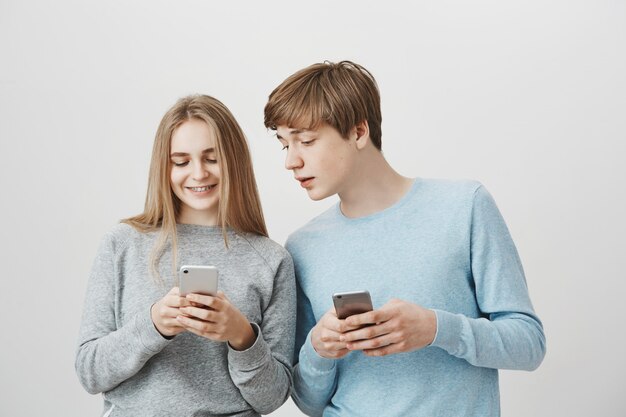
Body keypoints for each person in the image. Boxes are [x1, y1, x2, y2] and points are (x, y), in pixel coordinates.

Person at [263, 61, 546, 417]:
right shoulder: (302, 247)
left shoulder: (464, 207)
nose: (291, 160)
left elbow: (529, 344)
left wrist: (435, 329)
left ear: (359, 132)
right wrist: (318, 349)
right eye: (283, 144)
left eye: (306, 140)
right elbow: (308, 400)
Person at [76, 95, 296, 417]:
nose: (198, 174)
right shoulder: (122, 245)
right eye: (181, 161)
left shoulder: (271, 260)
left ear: (234, 160)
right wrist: (154, 325)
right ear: (163, 168)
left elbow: (273, 397)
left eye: (212, 158)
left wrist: (241, 336)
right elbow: (89, 372)